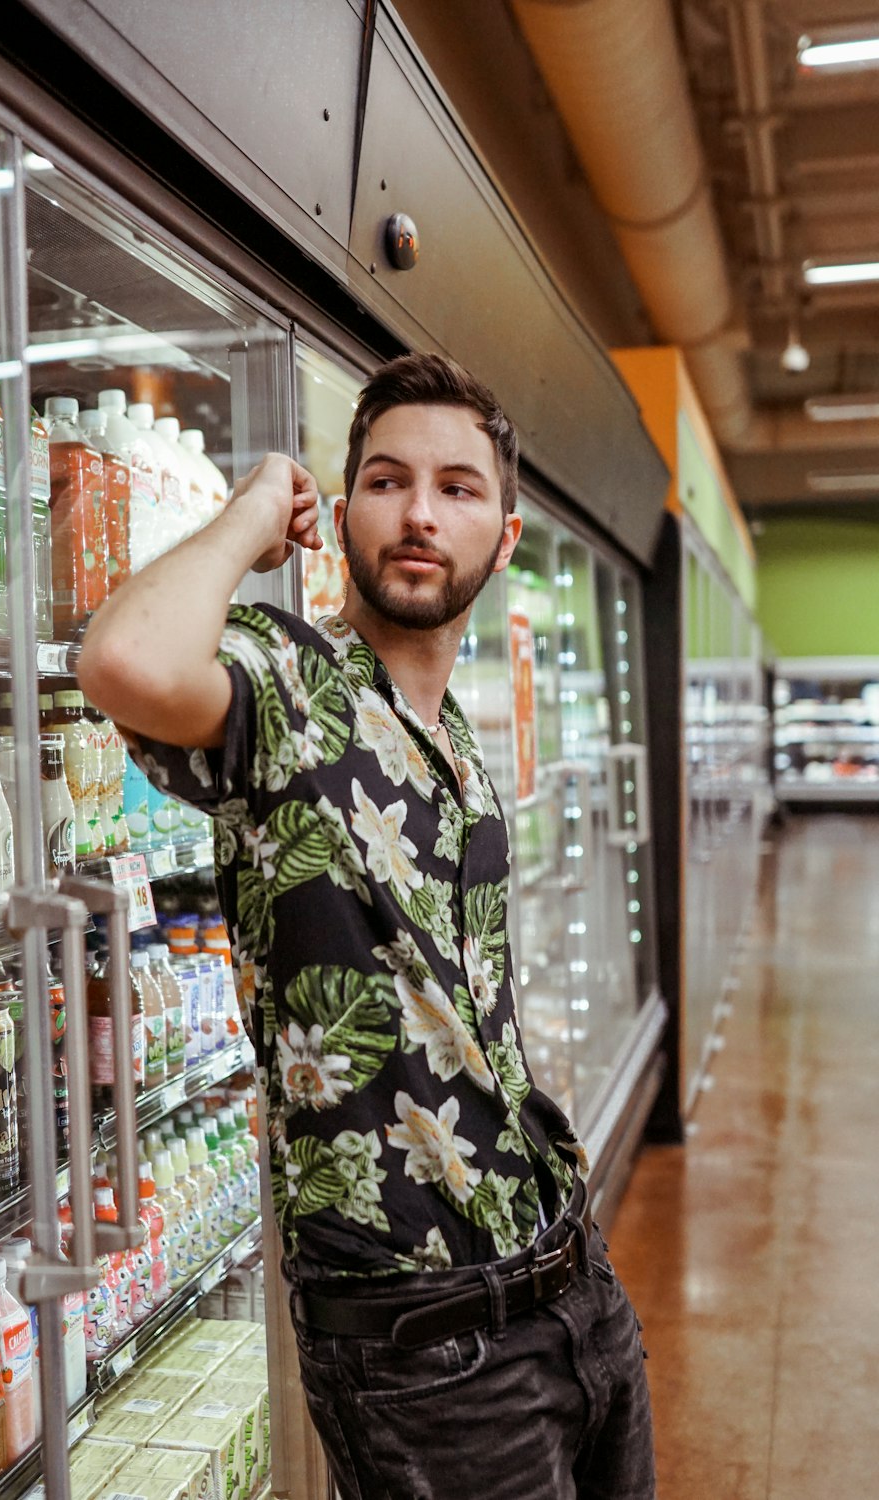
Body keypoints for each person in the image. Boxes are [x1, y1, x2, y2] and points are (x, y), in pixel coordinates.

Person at [78, 352, 655, 1499]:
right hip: (424, 1341)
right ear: (341, 513)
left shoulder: (460, 742)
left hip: (568, 1280)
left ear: (505, 531)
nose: (422, 514)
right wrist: (250, 511)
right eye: (388, 482)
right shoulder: (287, 685)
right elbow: (125, 660)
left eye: (458, 487)